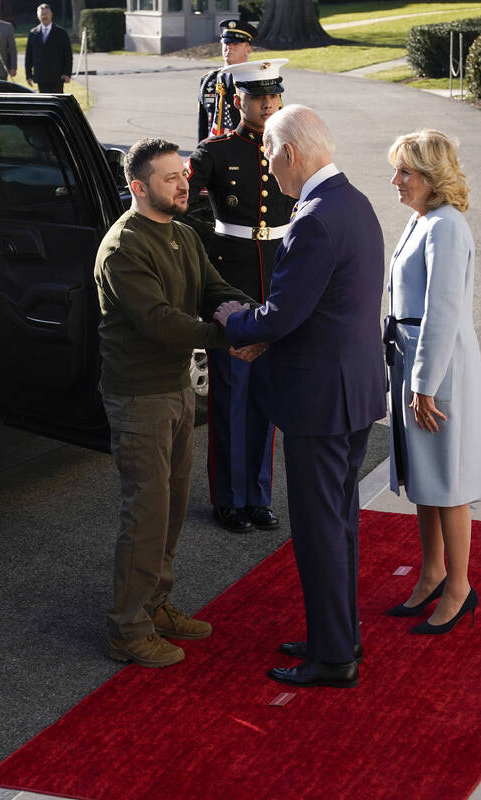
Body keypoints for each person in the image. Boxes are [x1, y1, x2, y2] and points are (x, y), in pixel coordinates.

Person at [215, 105, 386, 688]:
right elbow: (329, 306)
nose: (267, 168)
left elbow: (283, 314)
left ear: (289, 153)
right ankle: (337, 635)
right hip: (351, 391)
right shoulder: (354, 200)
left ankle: (333, 657)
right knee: (338, 523)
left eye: (268, 155)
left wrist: (236, 323)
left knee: (320, 529)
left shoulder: (313, 215)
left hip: (321, 401)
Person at [95, 138, 260, 669]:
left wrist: (258, 316)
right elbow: (160, 323)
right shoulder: (124, 248)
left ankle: (156, 603)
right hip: (139, 395)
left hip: (175, 390)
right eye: (170, 179)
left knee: (170, 509)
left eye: (184, 174)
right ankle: (128, 628)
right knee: (146, 513)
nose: (184, 184)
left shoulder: (185, 235)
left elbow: (215, 290)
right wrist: (230, 339)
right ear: (139, 188)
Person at [384, 129, 481, 634]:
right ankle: (431, 573)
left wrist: (424, 383)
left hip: (437, 361)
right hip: (414, 357)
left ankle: (459, 587)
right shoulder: (423, 220)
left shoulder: (446, 227)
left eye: (405, 172)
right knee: (425, 477)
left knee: (447, 482)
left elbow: (443, 311)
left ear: (431, 177)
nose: (397, 181)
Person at [186, 59, 294, 534]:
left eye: (272, 96)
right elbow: (183, 208)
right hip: (230, 286)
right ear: (238, 102)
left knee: (266, 398)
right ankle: (228, 499)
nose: (266, 104)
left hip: (279, 281)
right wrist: (204, 271)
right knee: (230, 397)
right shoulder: (215, 151)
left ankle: (258, 495)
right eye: (256, 98)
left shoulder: (291, 148)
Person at [196, 19, 254, 142]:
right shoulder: (208, 81)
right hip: (215, 151)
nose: (229, 47)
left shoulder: (257, 78)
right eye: (226, 43)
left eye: (235, 44)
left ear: (248, 49)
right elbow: (203, 123)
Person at [24, 4, 70, 93]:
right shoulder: (33, 33)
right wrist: (28, 75)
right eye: (42, 14)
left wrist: (67, 73)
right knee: (44, 103)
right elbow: (29, 56)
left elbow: (68, 55)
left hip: (57, 76)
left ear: (51, 14)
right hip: (41, 76)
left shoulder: (61, 33)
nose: (44, 16)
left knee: (57, 102)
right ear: (38, 16)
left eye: (46, 14)